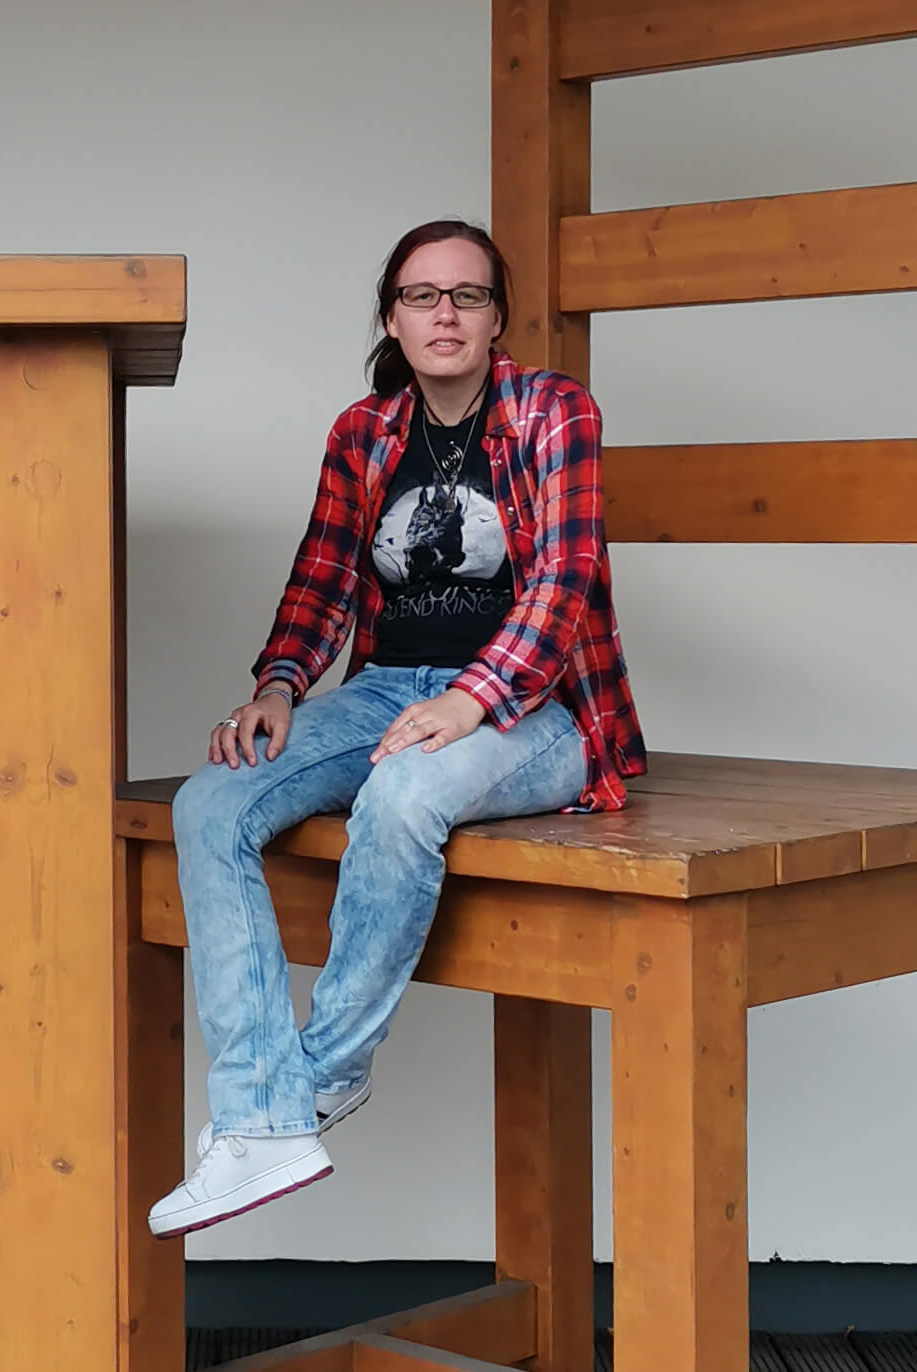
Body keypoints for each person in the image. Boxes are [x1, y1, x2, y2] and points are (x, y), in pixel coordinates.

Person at [148, 219, 646, 1239]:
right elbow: (326, 573)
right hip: (385, 691)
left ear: (497, 316)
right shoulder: (363, 433)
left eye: (466, 295)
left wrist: (473, 699)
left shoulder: (553, 411)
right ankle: (260, 1117)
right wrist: (281, 684)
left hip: (536, 707)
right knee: (211, 803)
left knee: (404, 794)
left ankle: (316, 1078)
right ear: (392, 316)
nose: (445, 314)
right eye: (423, 296)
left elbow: (563, 580)